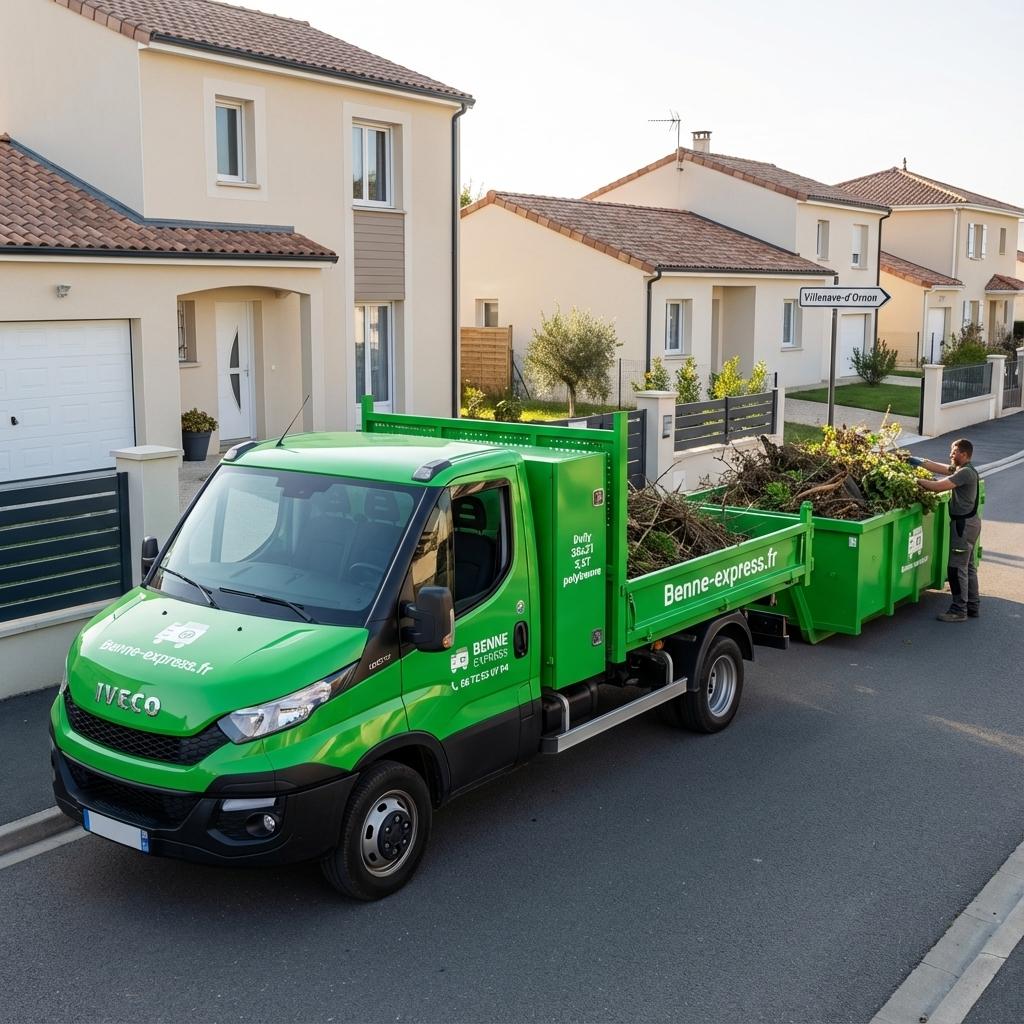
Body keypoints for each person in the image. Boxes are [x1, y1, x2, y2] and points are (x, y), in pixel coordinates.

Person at [906, 438, 981, 622]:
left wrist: (914, 480)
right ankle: (972, 605)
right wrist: (914, 460)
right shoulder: (964, 470)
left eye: (954, 452)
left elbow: (939, 487)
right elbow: (938, 467)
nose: (950, 455)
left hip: (963, 526)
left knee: (956, 568)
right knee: (968, 566)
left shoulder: (964, 473)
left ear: (964, 454)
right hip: (971, 523)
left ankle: (958, 610)